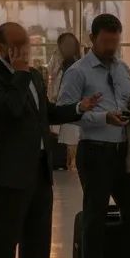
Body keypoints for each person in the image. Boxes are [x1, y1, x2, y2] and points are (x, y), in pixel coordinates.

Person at [0, 22, 101, 258]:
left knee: (38, 236)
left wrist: (78, 108)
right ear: (1, 47)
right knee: (6, 239)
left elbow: (45, 111)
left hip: (39, 168)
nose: (23, 49)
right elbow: (10, 111)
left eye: (25, 43)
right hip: (8, 172)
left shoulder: (34, 75)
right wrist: (19, 74)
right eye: (16, 44)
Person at [57, 13, 130, 258]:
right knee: (95, 217)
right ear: (92, 39)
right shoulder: (78, 72)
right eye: (105, 41)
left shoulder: (123, 68)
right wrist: (103, 117)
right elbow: (65, 111)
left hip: (124, 152)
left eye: (115, 41)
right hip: (95, 150)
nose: (111, 46)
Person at [48, 31, 83, 169]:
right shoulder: (61, 64)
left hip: (72, 111)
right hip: (64, 112)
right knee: (66, 143)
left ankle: (70, 163)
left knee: (71, 142)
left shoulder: (76, 66)